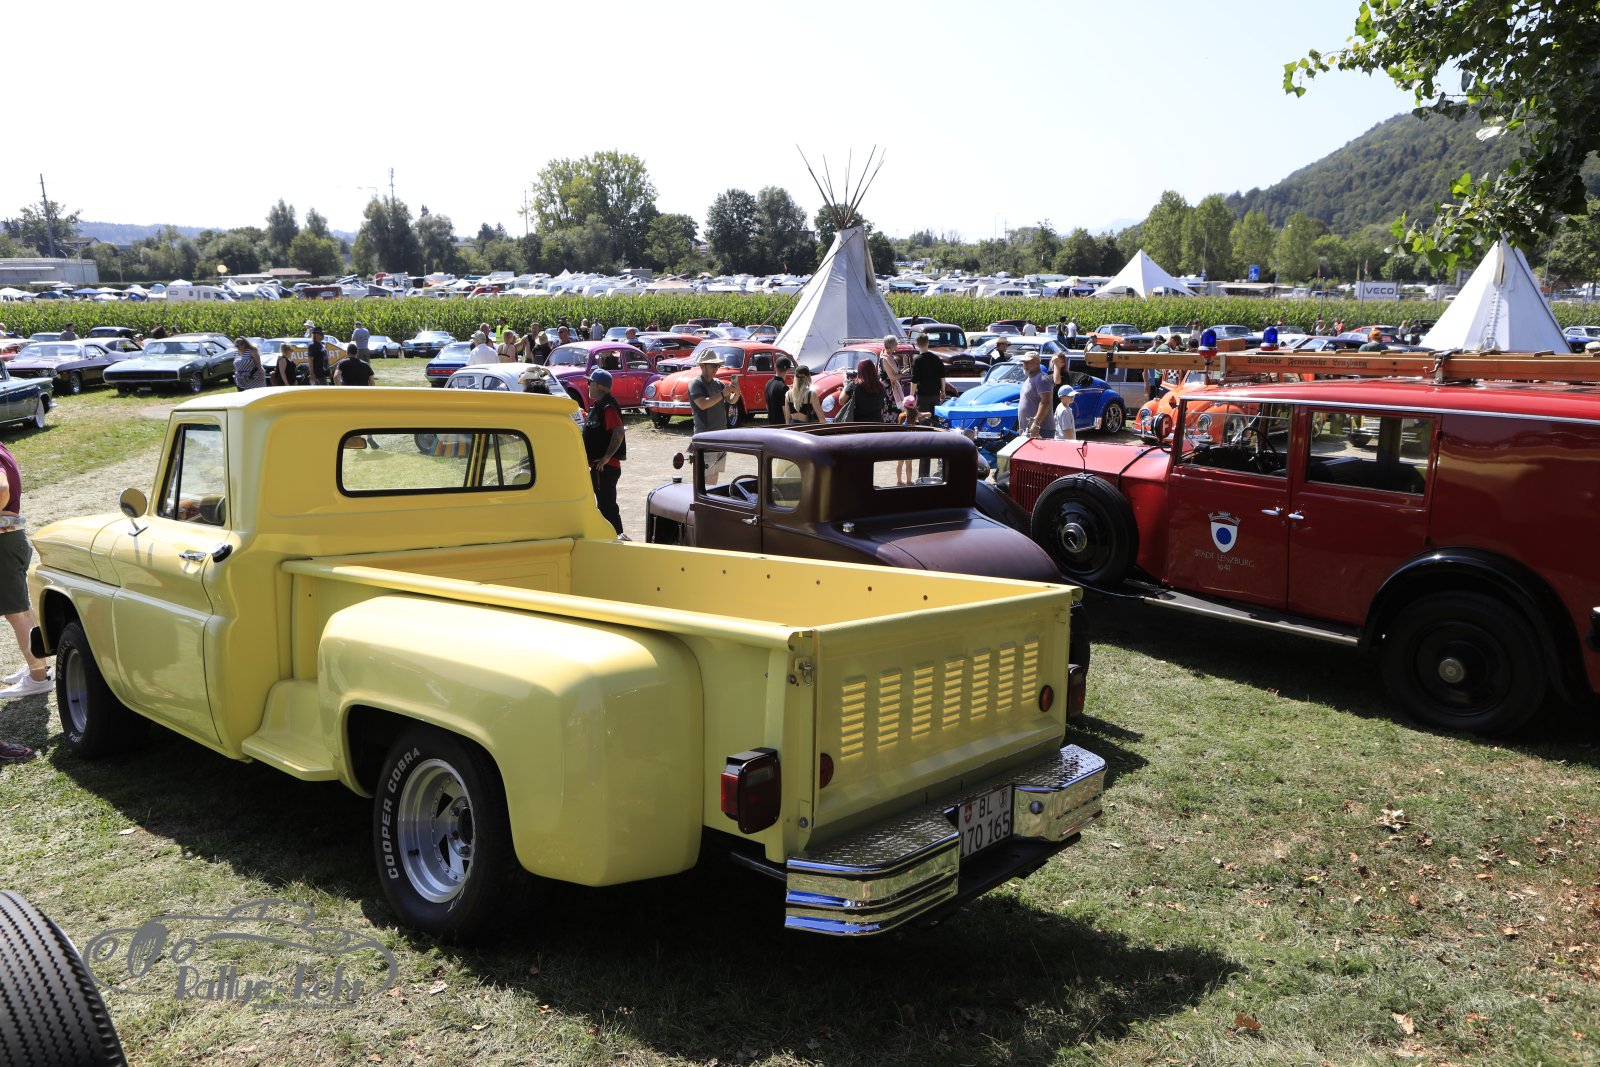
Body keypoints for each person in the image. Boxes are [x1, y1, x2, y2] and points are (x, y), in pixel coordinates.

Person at [0, 441, 52, 712]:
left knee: (16, 613)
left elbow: (2, 489)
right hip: (11, 540)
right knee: (21, 609)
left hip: (4, 543)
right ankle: (38, 665)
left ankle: (38, 677)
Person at [582, 369, 627, 537]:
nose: (588, 385)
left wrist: (606, 458)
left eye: (590, 382)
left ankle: (619, 539)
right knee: (603, 507)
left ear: (598, 385)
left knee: (608, 508)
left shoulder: (608, 406)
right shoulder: (599, 405)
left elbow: (618, 431)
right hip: (600, 469)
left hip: (606, 469)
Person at [688, 351, 736, 484]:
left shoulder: (718, 383)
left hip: (720, 436)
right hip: (705, 436)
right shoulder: (696, 383)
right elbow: (703, 404)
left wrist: (736, 392)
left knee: (714, 476)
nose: (716, 368)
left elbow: (731, 400)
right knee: (704, 478)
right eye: (713, 365)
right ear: (702, 366)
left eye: (717, 365)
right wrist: (722, 394)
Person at [1017, 349, 1055, 439]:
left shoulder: (1042, 378)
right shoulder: (1030, 378)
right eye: (1024, 362)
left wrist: (1036, 423)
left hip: (1041, 430)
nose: (1025, 365)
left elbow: (1045, 402)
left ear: (1037, 363)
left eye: (1028, 362)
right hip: (1029, 429)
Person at [840, 358, 890, 423]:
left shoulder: (854, 385)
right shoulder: (881, 387)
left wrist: (846, 386)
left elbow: (841, 401)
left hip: (858, 424)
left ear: (859, 371)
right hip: (877, 423)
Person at [910, 332, 943, 420]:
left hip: (923, 395)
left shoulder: (917, 360)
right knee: (935, 419)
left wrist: (911, 396)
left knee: (923, 420)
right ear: (928, 343)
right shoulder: (936, 358)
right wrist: (943, 390)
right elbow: (942, 376)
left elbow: (914, 380)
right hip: (935, 394)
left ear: (917, 344)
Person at [878, 334, 906, 408]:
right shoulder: (885, 359)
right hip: (889, 392)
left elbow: (893, 372)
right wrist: (902, 374)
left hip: (893, 389)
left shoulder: (890, 356)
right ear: (891, 345)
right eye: (896, 343)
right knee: (891, 411)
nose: (897, 345)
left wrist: (901, 372)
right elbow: (892, 377)